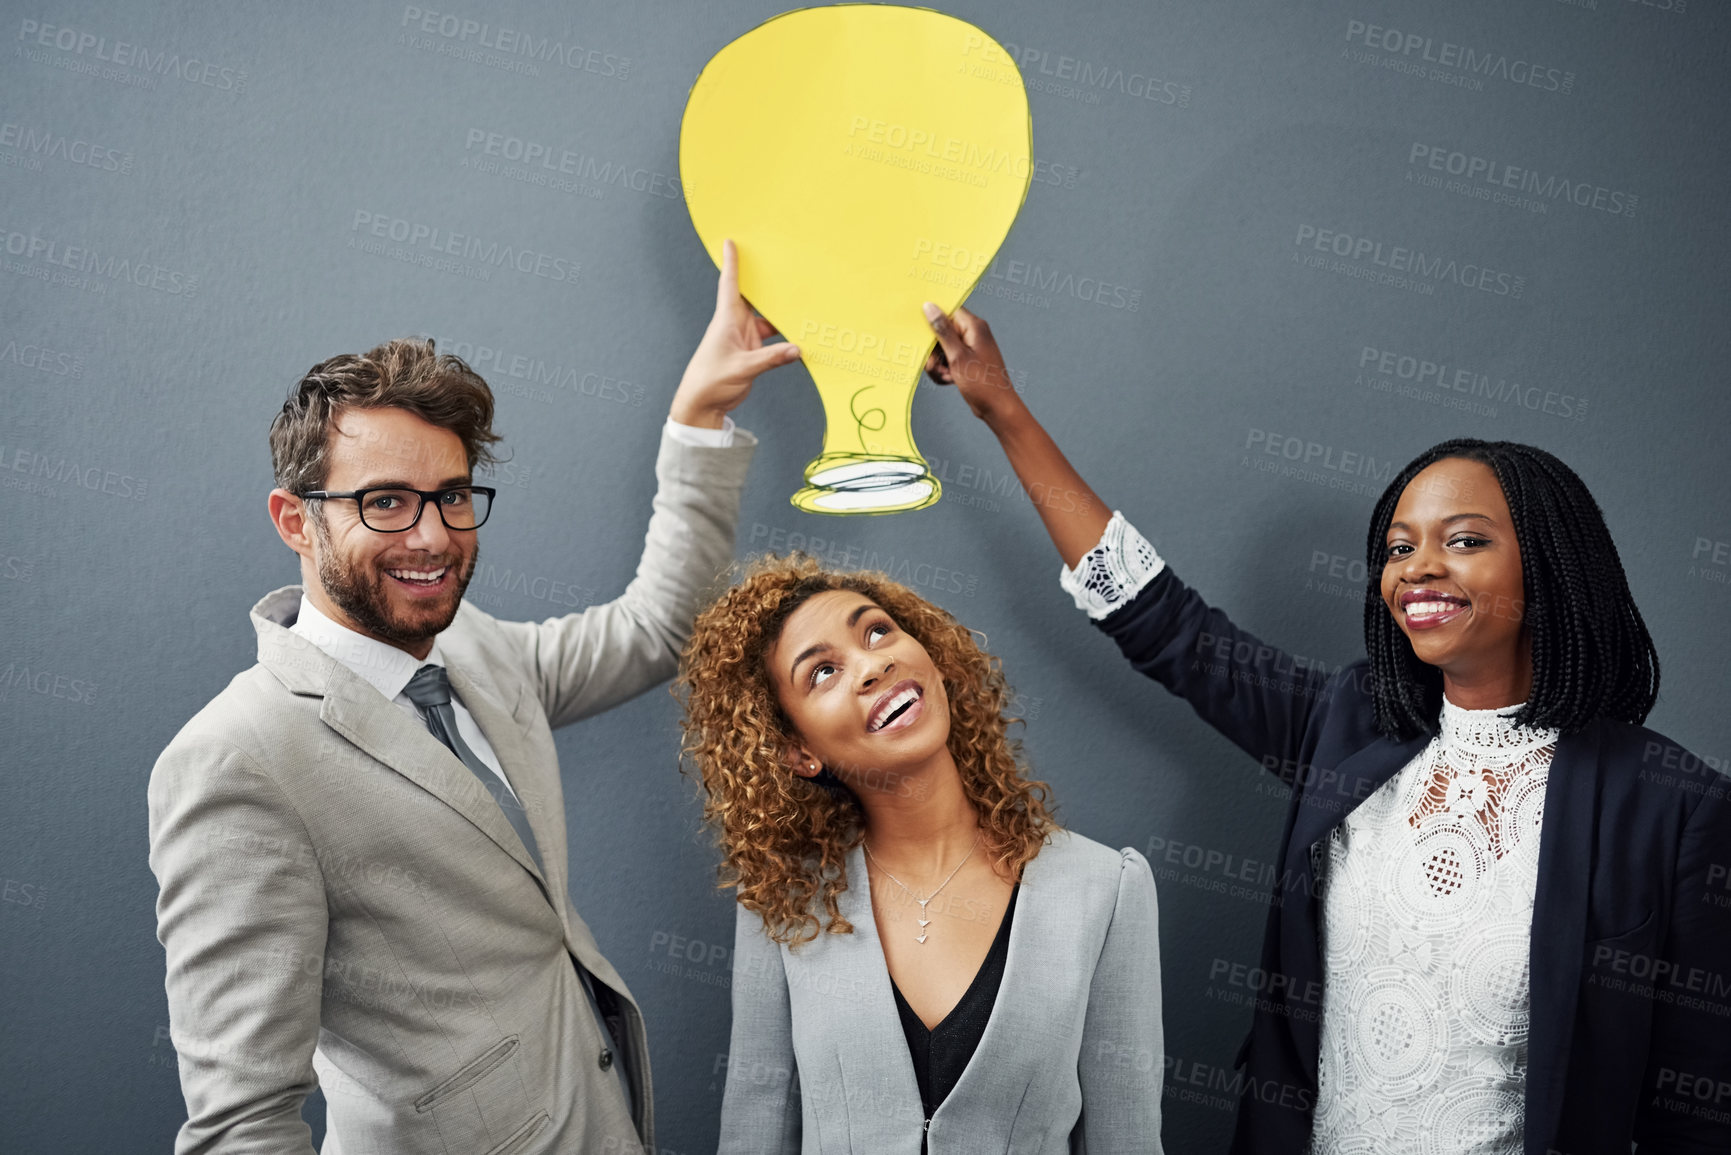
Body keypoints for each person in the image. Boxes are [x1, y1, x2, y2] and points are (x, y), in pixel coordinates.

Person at [916, 303, 1731, 1155]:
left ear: (1549, 563)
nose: (1417, 566)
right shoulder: (1347, 724)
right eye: (1396, 546)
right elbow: (1162, 624)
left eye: (1463, 540)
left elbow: (1698, 1109)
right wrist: (1003, 411)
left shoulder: (1673, 806)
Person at [146, 241, 797, 1154]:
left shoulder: (476, 648)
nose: (432, 535)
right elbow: (241, 1125)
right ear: (296, 519)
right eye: (384, 502)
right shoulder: (237, 759)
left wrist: (701, 412)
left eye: (452, 496)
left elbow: (658, 629)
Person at [677, 555, 1164, 1153]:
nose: (872, 663)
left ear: (931, 657)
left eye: (877, 631)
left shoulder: (1105, 889)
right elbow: (755, 1128)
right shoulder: (783, 905)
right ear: (798, 751)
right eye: (823, 672)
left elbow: (1128, 1142)